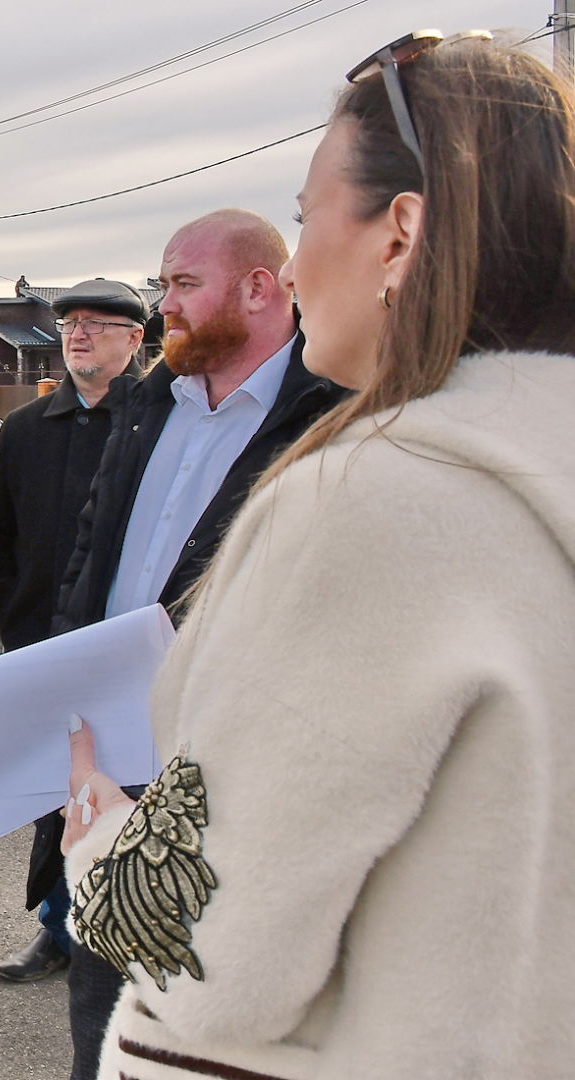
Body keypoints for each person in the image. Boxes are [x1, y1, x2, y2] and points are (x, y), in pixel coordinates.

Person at [61, 30, 575, 1079]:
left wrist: (99, 842)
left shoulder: (369, 502)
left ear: (399, 233)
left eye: (304, 218)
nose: (291, 267)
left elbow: (212, 949)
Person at [49, 208, 341, 1078]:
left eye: (182, 284)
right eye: (163, 282)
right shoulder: (149, 400)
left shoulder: (329, 408)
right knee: (102, 999)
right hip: (114, 755)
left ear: (258, 289)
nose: (162, 304)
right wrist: (66, 693)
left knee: (208, 1013)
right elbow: (91, 549)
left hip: (233, 770)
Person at [0, 278, 146, 984]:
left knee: (130, 791)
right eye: (70, 323)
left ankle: (124, 931)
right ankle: (57, 928)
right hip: (41, 643)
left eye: (98, 324)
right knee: (54, 795)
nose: (78, 334)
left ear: (134, 340)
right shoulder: (25, 430)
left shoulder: (157, 423)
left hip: (131, 649)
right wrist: (10, 613)